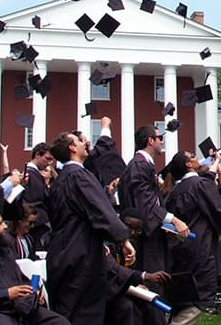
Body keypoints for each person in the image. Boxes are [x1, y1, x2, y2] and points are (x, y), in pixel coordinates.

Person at [45, 130, 136, 324]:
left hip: (61, 254)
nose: (85, 143)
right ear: (72, 148)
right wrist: (123, 239)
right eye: (80, 141)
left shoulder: (59, 180)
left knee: (67, 311)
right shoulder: (79, 176)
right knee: (85, 313)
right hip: (81, 256)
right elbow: (101, 210)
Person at [118, 123, 189, 324]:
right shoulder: (140, 165)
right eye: (159, 138)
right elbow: (147, 205)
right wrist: (174, 220)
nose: (161, 141)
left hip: (150, 233)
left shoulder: (141, 165)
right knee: (153, 285)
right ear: (151, 140)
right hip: (146, 239)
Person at [164, 150, 221, 317]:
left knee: (185, 291)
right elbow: (219, 210)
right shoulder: (200, 185)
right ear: (188, 164)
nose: (196, 158)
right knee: (202, 291)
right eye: (193, 156)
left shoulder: (175, 191)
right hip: (201, 244)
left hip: (181, 245)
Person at [24, 142, 55, 249]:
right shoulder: (31, 174)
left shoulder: (35, 174)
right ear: (37, 155)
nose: (49, 163)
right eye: (48, 158)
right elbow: (34, 200)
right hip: (36, 225)